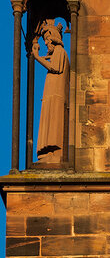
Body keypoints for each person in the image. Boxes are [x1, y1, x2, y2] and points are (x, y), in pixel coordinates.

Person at [32, 19, 69, 163]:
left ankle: (53, 151)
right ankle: (47, 151)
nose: (46, 43)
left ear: (54, 39)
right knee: (49, 118)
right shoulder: (56, 53)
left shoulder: (60, 51)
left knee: (54, 120)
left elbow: (54, 67)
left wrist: (36, 57)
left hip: (56, 96)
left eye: (47, 40)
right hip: (51, 95)